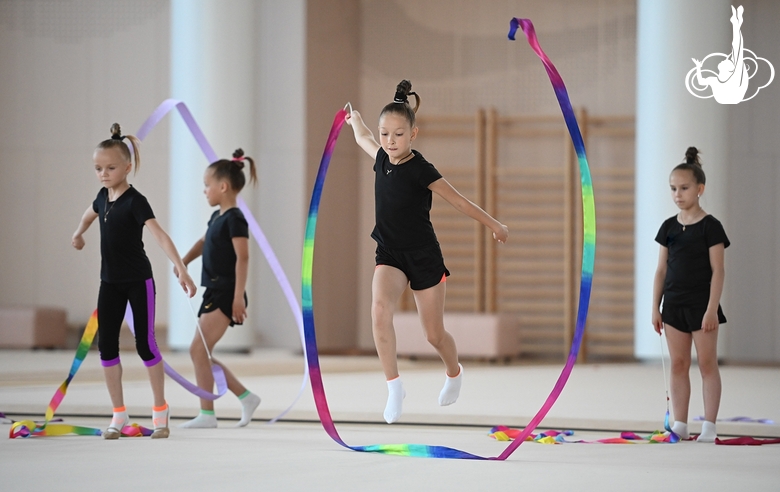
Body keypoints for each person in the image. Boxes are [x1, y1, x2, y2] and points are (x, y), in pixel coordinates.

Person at [345, 80, 509, 423]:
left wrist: (494, 224)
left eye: (399, 135)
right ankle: (394, 387)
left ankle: (454, 372)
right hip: (390, 254)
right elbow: (363, 138)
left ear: (413, 134)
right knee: (379, 311)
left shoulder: (421, 169)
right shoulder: (380, 157)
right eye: (385, 134)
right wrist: (355, 119)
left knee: (433, 334)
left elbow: (459, 201)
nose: (390, 142)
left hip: (423, 257)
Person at [72, 123, 197, 439]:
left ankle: (159, 410)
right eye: (98, 168)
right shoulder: (102, 197)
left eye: (110, 168)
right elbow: (89, 214)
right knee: (107, 346)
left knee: (145, 344)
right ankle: (119, 413)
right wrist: (78, 233)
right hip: (109, 282)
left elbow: (160, 235)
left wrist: (181, 267)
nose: (103, 173)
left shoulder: (135, 201)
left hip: (138, 281)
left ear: (127, 167)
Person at [176, 149, 262, 428]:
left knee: (198, 350)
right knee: (202, 352)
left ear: (223, 187)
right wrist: (183, 261)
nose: (204, 191)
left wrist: (238, 298)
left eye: (207, 185)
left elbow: (243, 256)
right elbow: (204, 242)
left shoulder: (235, 218)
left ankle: (207, 414)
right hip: (213, 291)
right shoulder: (218, 218)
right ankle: (245, 397)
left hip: (226, 292)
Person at [652, 147, 729, 443]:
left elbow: (718, 271)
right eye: (673, 188)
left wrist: (711, 309)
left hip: (701, 305)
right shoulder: (669, 227)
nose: (677, 194)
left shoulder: (711, 227)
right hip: (673, 305)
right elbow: (661, 271)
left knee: (707, 365)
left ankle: (709, 424)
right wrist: (655, 307)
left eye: (683, 188)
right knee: (678, 364)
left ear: (700, 189)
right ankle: (680, 422)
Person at [692, 5, 748, 104]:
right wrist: (698, 67)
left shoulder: (733, 78)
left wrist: (736, 25)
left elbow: (737, 49)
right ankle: (736, 23)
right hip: (729, 97)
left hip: (733, 96)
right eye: (728, 60)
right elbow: (701, 82)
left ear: (729, 69)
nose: (725, 59)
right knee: (736, 50)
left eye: (727, 61)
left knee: (737, 50)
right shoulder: (715, 80)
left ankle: (736, 23)